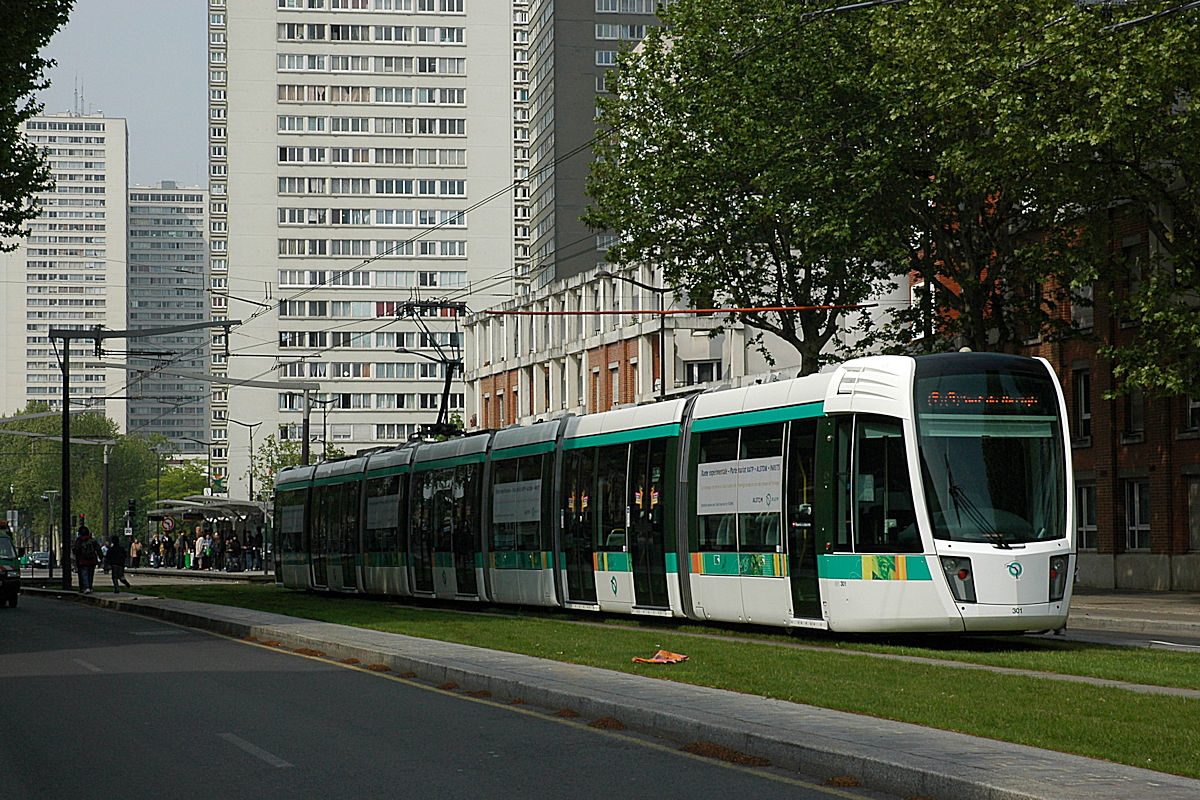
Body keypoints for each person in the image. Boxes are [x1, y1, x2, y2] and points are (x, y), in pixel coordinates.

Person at [71, 524, 102, 593]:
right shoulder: (92, 541)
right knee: (90, 575)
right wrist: (101, 557)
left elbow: (76, 550)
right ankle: (90, 587)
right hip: (92, 560)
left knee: (84, 574)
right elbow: (98, 549)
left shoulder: (79, 541)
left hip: (82, 560)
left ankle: (86, 587)